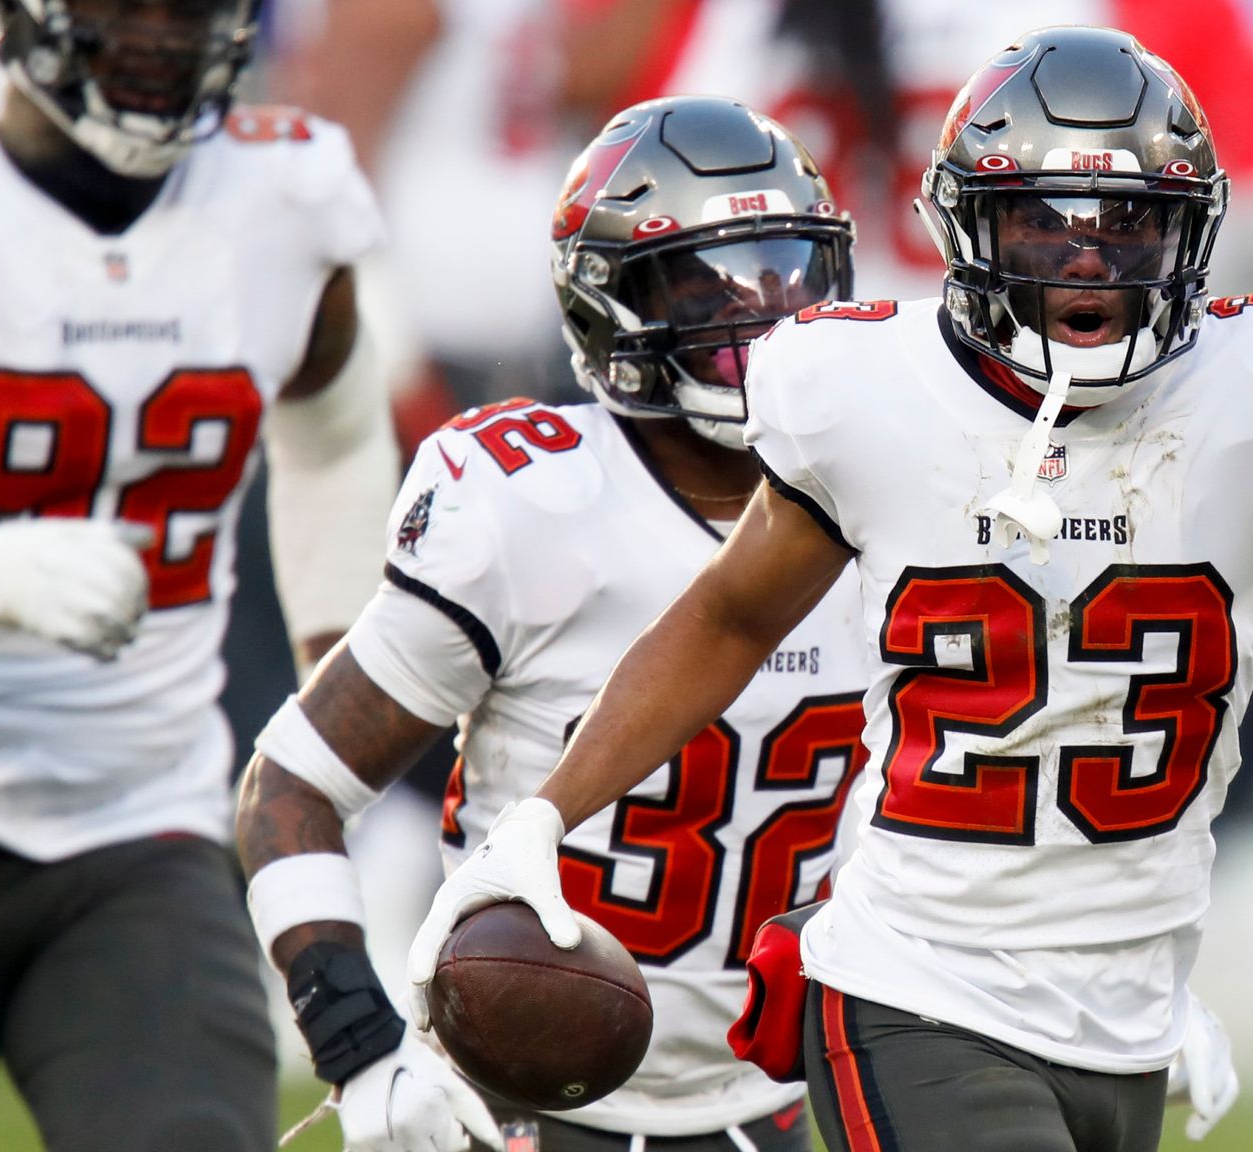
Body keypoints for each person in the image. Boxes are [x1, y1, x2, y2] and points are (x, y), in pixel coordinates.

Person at [407, 26, 1253, 1152]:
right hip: (916, 987)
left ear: (1191, 234)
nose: (1088, 260)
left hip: (1123, 1006)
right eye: (1047, 221)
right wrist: (540, 818)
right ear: (970, 228)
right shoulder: (866, 388)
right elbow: (730, 615)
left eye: (1127, 223)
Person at [0, 0, 398, 1147]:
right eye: (128, 4)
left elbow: (338, 440)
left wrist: (334, 701)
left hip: (137, 818)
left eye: (193, 8)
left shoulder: (284, 196)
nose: (163, 34)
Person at [235, 95, 865, 1152]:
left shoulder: (882, 486)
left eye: (786, 271)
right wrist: (358, 1045)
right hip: (509, 1101)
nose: (759, 321)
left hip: (765, 1106)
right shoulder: (525, 504)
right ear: (610, 308)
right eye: (704, 286)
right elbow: (289, 786)